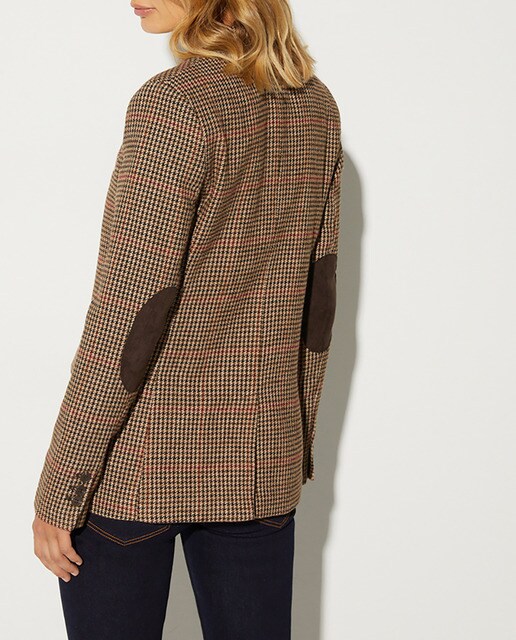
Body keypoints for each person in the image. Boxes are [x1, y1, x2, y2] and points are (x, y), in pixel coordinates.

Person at [32, 1, 343, 638]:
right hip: (260, 455)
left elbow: (128, 311)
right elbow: (319, 302)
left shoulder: (173, 103)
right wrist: (292, 442)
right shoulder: (315, 104)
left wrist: (62, 486)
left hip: (139, 461)